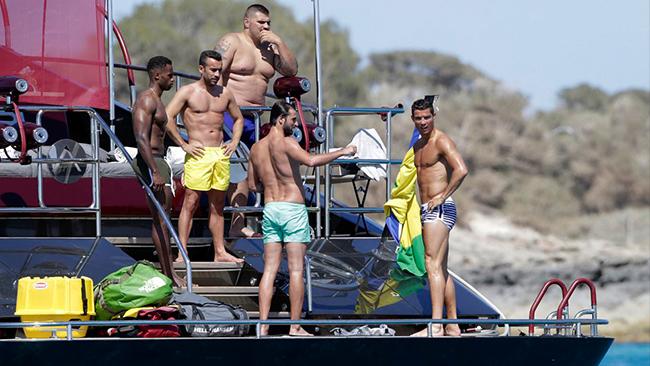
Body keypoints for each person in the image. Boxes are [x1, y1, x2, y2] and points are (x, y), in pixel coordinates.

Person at [247, 101, 356, 336]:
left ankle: (263, 325)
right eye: (293, 119)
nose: (296, 124)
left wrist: (270, 184)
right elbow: (312, 161)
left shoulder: (256, 148)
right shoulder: (287, 143)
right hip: (292, 211)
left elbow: (251, 185)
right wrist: (343, 151)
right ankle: (295, 326)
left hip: (271, 208)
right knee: (296, 270)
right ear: (280, 120)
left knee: (269, 270)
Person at [215, 3, 298, 238]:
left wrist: (279, 42)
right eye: (261, 22)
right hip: (232, 115)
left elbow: (291, 71)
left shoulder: (269, 49)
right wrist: (218, 109)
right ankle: (235, 224)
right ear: (247, 22)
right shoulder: (232, 41)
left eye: (269, 23)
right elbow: (215, 74)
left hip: (258, 118)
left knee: (262, 167)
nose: (266, 27)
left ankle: (255, 222)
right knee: (238, 169)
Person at [165, 50, 244, 264]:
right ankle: (183, 252)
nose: (217, 74)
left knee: (218, 205)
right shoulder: (187, 92)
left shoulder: (225, 93)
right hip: (198, 153)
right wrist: (183, 144)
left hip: (219, 154)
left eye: (219, 70)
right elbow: (167, 117)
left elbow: (238, 119)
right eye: (213, 69)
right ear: (201, 69)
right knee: (190, 202)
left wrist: (235, 141)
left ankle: (219, 251)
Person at [409, 98, 468, 337]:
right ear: (413, 119)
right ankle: (452, 324)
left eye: (427, 117)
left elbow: (461, 169)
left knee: (431, 264)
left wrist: (442, 196)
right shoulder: (418, 145)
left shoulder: (440, 140)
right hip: (426, 209)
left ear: (434, 116)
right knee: (441, 268)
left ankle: (435, 324)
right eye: (418, 118)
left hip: (440, 209)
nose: (423, 122)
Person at [131, 56, 185, 287]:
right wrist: (154, 170)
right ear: (157, 76)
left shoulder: (158, 100)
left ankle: (169, 272)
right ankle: (169, 275)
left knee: (164, 218)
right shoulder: (146, 99)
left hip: (159, 159)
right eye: (169, 75)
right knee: (161, 219)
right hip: (151, 160)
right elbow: (141, 136)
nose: (172, 79)